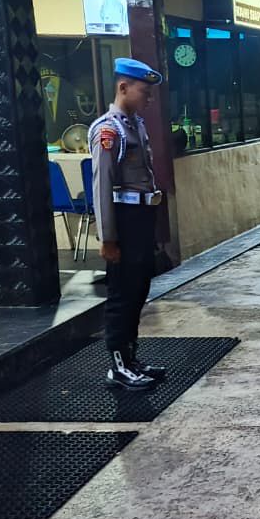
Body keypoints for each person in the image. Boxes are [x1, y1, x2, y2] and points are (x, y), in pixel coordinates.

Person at [90, 59, 168, 390]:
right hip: (123, 221)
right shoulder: (109, 130)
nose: (148, 98)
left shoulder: (135, 124)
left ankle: (132, 358)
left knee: (138, 290)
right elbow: (101, 187)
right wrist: (108, 238)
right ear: (123, 87)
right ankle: (119, 367)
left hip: (141, 219)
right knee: (122, 295)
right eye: (144, 92)